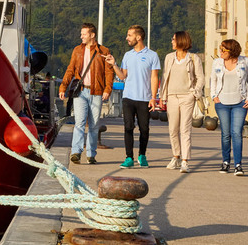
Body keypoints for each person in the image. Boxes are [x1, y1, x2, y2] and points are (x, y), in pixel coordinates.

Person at [58, 23, 115, 164]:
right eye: (81, 33)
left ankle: (91, 154)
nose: (81, 36)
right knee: (79, 123)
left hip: (97, 91)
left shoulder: (104, 51)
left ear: (92, 35)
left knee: (94, 125)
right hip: (81, 90)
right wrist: (63, 87)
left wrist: (108, 89)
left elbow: (109, 72)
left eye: (84, 34)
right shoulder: (77, 50)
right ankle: (76, 152)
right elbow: (70, 69)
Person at [105, 25, 160, 169]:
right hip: (128, 97)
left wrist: (153, 97)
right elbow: (123, 76)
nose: (127, 38)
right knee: (128, 127)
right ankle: (129, 157)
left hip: (144, 98)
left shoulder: (152, 55)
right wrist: (114, 64)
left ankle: (142, 155)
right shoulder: (127, 55)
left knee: (144, 129)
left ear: (138, 37)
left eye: (129, 35)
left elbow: (154, 77)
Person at [159, 31, 204, 173]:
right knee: (173, 129)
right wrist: (162, 97)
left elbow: (200, 77)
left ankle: (185, 161)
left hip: (187, 97)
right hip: (172, 96)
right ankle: (176, 156)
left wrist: (194, 92)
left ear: (181, 41)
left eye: (173, 39)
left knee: (185, 129)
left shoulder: (193, 58)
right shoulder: (169, 57)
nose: (172, 42)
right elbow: (164, 77)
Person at [210, 39, 248, 176]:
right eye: (220, 49)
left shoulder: (244, 62)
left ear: (232, 51)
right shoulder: (217, 62)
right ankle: (225, 162)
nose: (221, 52)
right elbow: (213, 80)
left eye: (224, 50)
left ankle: (238, 165)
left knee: (236, 133)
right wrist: (213, 96)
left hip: (240, 103)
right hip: (222, 102)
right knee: (225, 134)